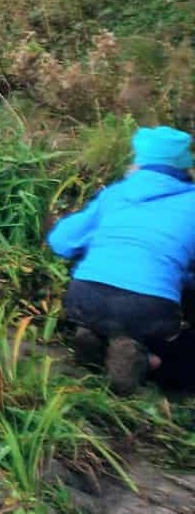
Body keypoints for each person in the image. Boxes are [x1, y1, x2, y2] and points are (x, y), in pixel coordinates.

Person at [46, 126, 195, 394]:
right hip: (150, 309)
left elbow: (61, 242)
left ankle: (94, 336)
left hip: (84, 297)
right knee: (182, 346)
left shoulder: (114, 194)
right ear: (185, 167)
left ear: (139, 162)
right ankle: (145, 359)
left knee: (107, 306)